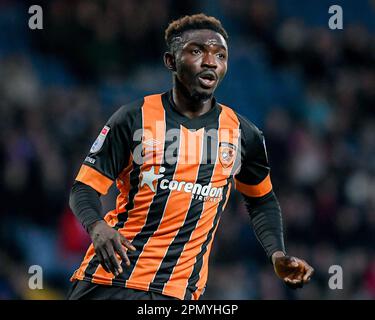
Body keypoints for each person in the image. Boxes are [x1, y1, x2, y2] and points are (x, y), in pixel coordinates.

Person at [67, 13, 313, 300]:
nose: (210, 61)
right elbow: (83, 188)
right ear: (171, 61)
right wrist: (97, 226)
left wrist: (277, 254)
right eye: (197, 51)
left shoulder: (243, 135)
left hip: (177, 292)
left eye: (220, 55)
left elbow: (262, 201)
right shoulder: (134, 118)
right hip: (109, 282)